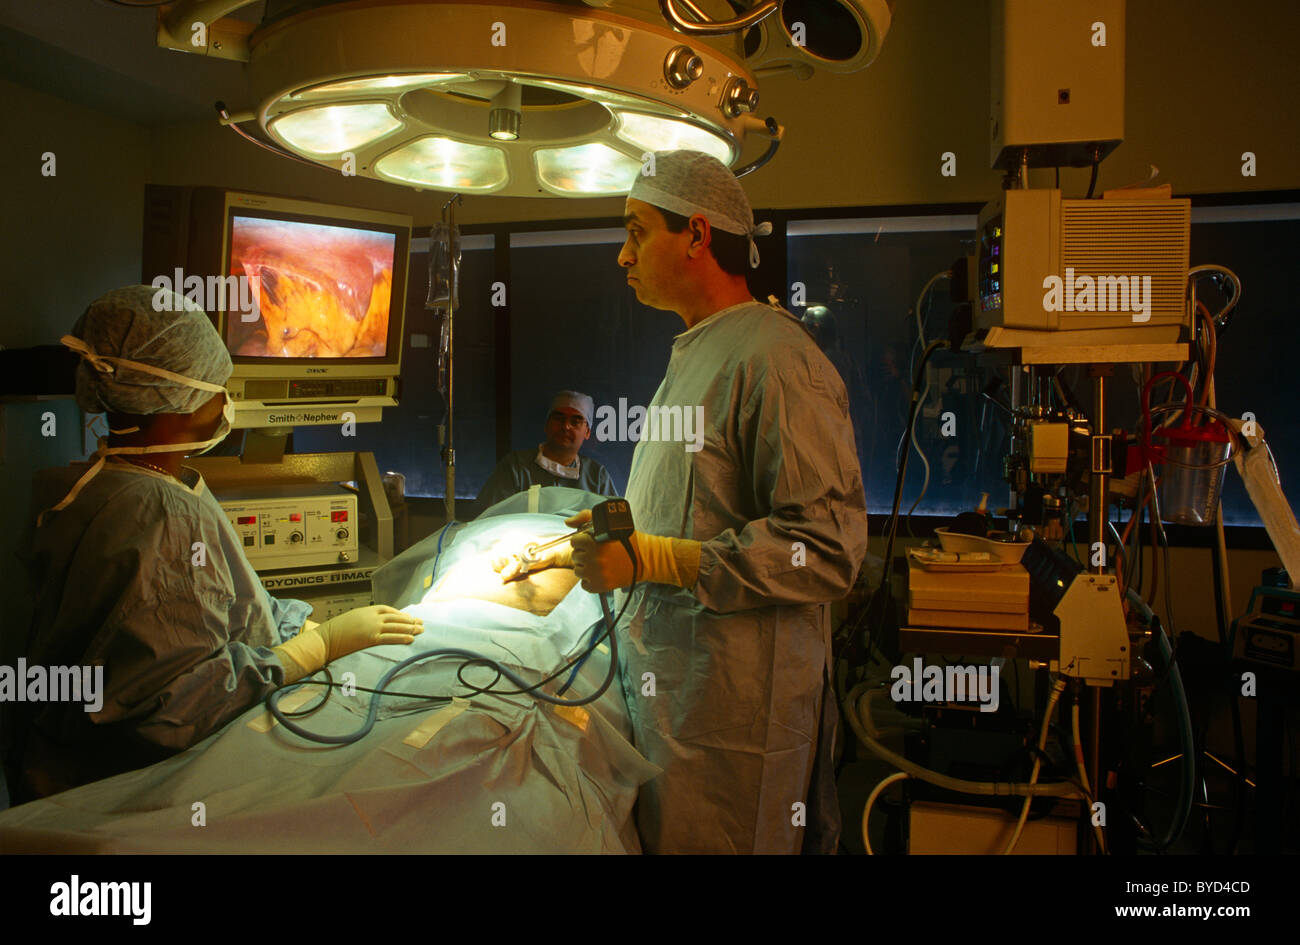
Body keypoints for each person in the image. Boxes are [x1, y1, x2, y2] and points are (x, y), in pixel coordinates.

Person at [498, 151, 868, 853]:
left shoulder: (776, 358)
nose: (621, 254)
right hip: (679, 704)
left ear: (696, 235)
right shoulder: (699, 350)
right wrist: (620, 528)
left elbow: (824, 548)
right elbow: (705, 500)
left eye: (636, 232)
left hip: (737, 726)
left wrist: (657, 557)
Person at [9, 285, 423, 801]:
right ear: (174, 401)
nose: (225, 401)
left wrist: (302, 626)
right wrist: (320, 647)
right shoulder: (161, 513)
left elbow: (233, 605)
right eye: (215, 387)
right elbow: (181, 708)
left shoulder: (88, 487)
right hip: (125, 790)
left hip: (55, 759)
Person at [476, 391, 618, 511]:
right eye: (559, 419)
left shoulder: (597, 477)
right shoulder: (516, 468)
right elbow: (486, 518)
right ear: (547, 424)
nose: (566, 427)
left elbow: (615, 525)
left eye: (575, 422)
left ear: (587, 432)